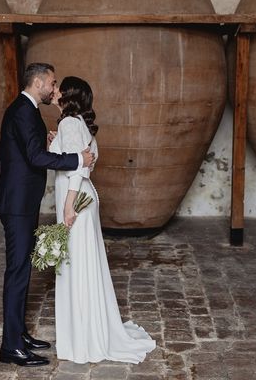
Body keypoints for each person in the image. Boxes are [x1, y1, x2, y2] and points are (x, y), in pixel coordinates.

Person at [0, 63, 95, 367]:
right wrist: (77, 158)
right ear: (38, 83)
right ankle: (11, 347)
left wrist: (51, 144)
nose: (56, 89)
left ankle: (19, 333)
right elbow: (35, 157)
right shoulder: (23, 111)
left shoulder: (28, 110)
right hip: (17, 204)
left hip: (23, 201)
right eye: (52, 83)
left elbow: (26, 151)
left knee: (22, 269)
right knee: (17, 272)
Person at [49, 76, 156, 364]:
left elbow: (78, 170)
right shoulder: (78, 124)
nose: (54, 89)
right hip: (85, 199)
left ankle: (84, 337)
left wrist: (68, 208)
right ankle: (89, 328)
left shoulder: (69, 123)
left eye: (59, 87)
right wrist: (55, 142)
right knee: (80, 263)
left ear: (68, 96)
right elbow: (78, 157)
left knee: (77, 265)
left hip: (77, 200)